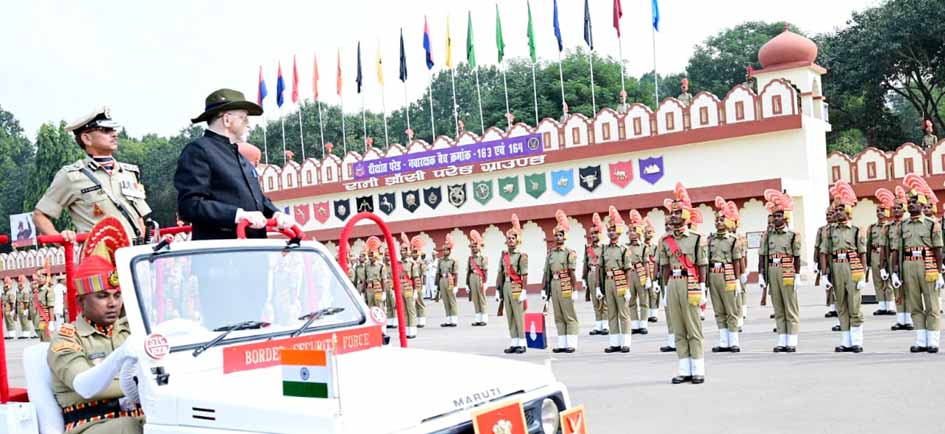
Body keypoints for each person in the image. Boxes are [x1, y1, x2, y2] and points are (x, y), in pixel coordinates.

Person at [47, 217, 143, 434]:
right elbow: (85, 386)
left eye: (117, 295)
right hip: (89, 426)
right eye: (102, 296)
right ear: (81, 301)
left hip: (137, 420)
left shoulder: (130, 330)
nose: (112, 303)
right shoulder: (67, 339)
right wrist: (141, 381)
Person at [175, 89, 292, 240]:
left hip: (252, 246)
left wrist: (275, 213)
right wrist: (237, 215)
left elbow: (257, 199)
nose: (248, 124)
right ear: (227, 120)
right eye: (243, 118)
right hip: (221, 249)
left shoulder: (239, 156)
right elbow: (190, 205)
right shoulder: (198, 151)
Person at [34, 107, 151, 244]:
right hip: (100, 253)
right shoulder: (72, 175)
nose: (114, 134)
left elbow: (138, 218)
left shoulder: (129, 173)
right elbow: (40, 215)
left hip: (133, 252)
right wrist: (63, 242)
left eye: (113, 130)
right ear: (87, 138)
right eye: (105, 130)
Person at [658, 183, 708, 384]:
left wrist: (702, 288)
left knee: (693, 328)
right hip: (673, 283)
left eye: (678, 212)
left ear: (687, 215)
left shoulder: (696, 239)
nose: (674, 216)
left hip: (690, 283)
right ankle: (684, 369)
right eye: (672, 213)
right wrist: (664, 290)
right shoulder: (665, 240)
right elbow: (665, 267)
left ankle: (698, 369)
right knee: (678, 328)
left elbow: (701, 265)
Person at [890, 175, 942, 352]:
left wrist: (939, 272)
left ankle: (933, 341)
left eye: (915, 202)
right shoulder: (902, 225)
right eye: (909, 202)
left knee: (932, 304)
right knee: (914, 304)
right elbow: (897, 249)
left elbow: (938, 249)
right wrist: (895, 271)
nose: (911, 204)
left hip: (927, 265)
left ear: (922, 205)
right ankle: (921, 340)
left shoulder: (931, 224)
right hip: (908, 265)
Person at [821, 181, 867, 353]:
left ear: (848, 210)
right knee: (841, 305)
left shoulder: (856, 230)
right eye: (836, 209)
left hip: (852, 267)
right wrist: (824, 274)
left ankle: (857, 341)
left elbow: (862, 254)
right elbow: (824, 252)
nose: (838, 212)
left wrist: (862, 275)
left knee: (854, 305)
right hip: (836, 267)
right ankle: (846, 341)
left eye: (841, 209)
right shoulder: (830, 231)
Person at [760, 190, 802, 353]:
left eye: (779, 216)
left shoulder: (792, 235)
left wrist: (797, 275)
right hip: (772, 269)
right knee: (778, 306)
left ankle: (792, 340)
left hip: (786, 270)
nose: (776, 218)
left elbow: (796, 256)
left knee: (789, 306)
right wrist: (762, 275)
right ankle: (782, 339)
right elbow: (763, 255)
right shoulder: (768, 235)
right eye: (774, 216)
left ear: (785, 218)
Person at [708, 197, 745, 353]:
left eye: (722, 219)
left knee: (731, 309)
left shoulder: (733, 240)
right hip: (713, 275)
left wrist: (737, 280)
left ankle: (734, 342)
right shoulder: (710, 239)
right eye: (717, 220)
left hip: (727, 274)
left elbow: (736, 261)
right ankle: (724, 342)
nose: (718, 222)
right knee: (718, 309)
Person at [543, 210, 580, 353]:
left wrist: (574, 289)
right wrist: (544, 289)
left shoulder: (569, 253)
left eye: (561, 235)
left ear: (565, 237)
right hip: (554, 284)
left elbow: (572, 273)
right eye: (556, 235)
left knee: (568, 314)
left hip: (565, 284)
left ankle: (572, 343)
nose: (558, 237)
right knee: (558, 315)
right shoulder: (550, 253)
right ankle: (562, 343)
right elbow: (546, 272)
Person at [496, 214, 528, 354]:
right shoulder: (504, 256)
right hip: (506, 286)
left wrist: (524, 291)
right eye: (508, 238)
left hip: (516, 286)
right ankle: (514, 342)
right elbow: (500, 273)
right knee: (510, 315)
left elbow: (524, 275)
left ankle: (522, 343)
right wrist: (498, 290)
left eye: (513, 238)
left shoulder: (521, 256)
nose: (510, 240)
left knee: (519, 316)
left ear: (517, 240)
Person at [601, 206, 631, 353]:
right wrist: (599, 287)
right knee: (611, 313)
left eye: (613, 229)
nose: (611, 232)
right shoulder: (604, 249)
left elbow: (628, 270)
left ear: (618, 231)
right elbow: (601, 268)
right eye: (609, 230)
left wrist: (627, 288)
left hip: (620, 282)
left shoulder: (624, 249)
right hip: (608, 281)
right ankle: (614, 343)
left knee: (623, 313)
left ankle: (625, 343)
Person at [889, 187, 915, 331]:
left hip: (908, 259)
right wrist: (884, 265)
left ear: (904, 209)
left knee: (910, 290)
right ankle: (900, 319)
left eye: (899, 208)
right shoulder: (888, 227)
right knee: (897, 290)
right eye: (894, 208)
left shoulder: (908, 224)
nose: (896, 210)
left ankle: (910, 319)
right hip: (894, 258)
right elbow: (885, 246)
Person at [625, 210, 652, 335]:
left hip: (640, 273)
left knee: (643, 300)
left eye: (634, 230)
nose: (632, 233)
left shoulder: (644, 247)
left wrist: (648, 277)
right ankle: (635, 325)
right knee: (631, 300)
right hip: (630, 274)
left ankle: (644, 324)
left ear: (640, 232)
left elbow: (646, 263)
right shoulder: (625, 247)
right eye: (630, 231)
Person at [870, 189, 896, 316]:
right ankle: (882, 306)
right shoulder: (872, 228)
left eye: (882, 210)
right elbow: (869, 244)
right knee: (878, 281)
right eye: (877, 211)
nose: (879, 213)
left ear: (887, 211)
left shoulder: (891, 226)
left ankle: (890, 305)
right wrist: (868, 262)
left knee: (888, 281)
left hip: (888, 255)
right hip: (875, 255)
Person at [583, 213, 608, 335]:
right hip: (591, 275)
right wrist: (584, 278)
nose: (593, 235)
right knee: (595, 301)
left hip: (602, 275)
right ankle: (598, 325)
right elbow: (585, 264)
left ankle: (606, 325)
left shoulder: (604, 247)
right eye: (592, 233)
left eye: (596, 233)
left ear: (600, 234)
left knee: (604, 300)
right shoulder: (588, 248)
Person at [467, 230, 489, 327]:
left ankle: (484, 318)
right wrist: (467, 284)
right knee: (475, 298)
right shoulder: (470, 258)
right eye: (472, 247)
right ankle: (478, 318)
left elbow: (485, 271)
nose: (474, 248)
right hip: (472, 278)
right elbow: (468, 271)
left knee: (481, 298)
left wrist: (485, 282)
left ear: (479, 247)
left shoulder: (483, 258)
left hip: (480, 278)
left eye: (475, 246)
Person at [398, 234, 418, 338]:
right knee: (404, 310)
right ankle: (406, 330)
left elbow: (415, 278)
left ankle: (413, 330)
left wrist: (416, 291)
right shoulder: (398, 263)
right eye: (401, 250)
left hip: (409, 288)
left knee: (411, 310)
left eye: (404, 250)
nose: (402, 252)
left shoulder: (412, 263)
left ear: (408, 251)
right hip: (400, 288)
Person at [437, 235, 459, 327]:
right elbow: (438, 273)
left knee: (452, 300)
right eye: (444, 250)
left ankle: (454, 320)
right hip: (442, 280)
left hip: (450, 281)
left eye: (446, 250)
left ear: (450, 251)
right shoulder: (440, 260)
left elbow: (456, 273)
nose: (445, 251)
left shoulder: (453, 260)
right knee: (445, 300)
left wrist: (455, 286)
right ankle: (448, 320)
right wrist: (437, 286)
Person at [363, 237, 386, 310]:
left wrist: (384, 292)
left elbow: (383, 280)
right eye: (369, 256)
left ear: (375, 255)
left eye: (371, 255)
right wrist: (364, 292)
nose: (370, 257)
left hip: (378, 288)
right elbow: (365, 279)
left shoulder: (381, 266)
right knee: (370, 307)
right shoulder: (366, 265)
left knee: (379, 307)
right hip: (369, 289)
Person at [410, 237, 428, 328]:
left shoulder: (421, 263)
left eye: (415, 252)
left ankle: (421, 320)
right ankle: (416, 319)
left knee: (420, 302)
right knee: (413, 303)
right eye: (412, 252)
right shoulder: (410, 263)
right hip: (411, 284)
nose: (414, 254)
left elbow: (424, 275)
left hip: (419, 284)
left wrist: (424, 285)